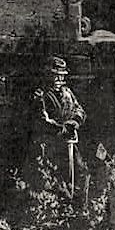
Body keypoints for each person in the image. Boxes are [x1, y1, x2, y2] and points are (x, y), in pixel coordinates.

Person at [26, 55, 87, 186]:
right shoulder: (41, 95)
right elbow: (42, 120)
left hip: (69, 143)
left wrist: (74, 122)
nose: (60, 79)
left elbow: (79, 110)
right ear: (48, 75)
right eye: (56, 75)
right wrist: (62, 129)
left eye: (62, 76)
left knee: (80, 173)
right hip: (50, 144)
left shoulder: (68, 92)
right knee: (52, 178)